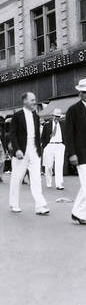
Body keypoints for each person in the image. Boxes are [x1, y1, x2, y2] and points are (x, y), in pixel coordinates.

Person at [9, 92, 49, 215]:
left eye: (34, 100)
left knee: (36, 178)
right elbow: (13, 134)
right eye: (32, 100)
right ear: (25, 101)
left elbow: (37, 135)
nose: (34, 102)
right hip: (21, 151)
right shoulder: (17, 116)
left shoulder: (36, 116)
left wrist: (38, 150)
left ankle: (40, 206)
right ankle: (14, 204)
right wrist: (17, 149)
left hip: (34, 151)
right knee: (17, 178)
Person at [65, 78, 86, 225]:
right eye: (84, 92)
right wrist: (72, 153)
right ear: (80, 93)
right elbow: (68, 134)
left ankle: (77, 212)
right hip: (80, 153)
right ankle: (78, 212)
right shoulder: (73, 110)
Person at [41, 108, 65, 190]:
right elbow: (43, 138)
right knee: (48, 166)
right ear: (52, 116)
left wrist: (64, 145)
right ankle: (49, 182)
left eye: (58, 116)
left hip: (60, 146)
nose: (57, 118)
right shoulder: (47, 125)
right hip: (49, 146)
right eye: (55, 116)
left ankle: (59, 184)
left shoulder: (63, 124)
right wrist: (45, 147)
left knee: (59, 165)